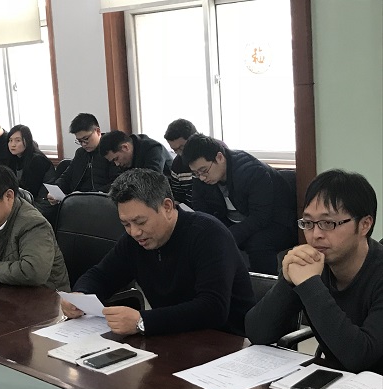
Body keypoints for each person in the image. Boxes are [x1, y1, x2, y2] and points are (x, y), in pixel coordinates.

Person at [61, 168, 254, 336]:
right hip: (174, 338)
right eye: (126, 224)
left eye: (140, 222)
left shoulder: (208, 234)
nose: (134, 232)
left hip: (227, 342)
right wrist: (80, 296)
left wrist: (143, 321)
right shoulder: (134, 241)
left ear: (167, 207)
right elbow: (101, 275)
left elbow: (213, 308)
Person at [246, 169, 383, 374]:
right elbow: (257, 333)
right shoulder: (313, 263)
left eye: (328, 223)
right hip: (336, 383)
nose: (315, 234)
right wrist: (288, 282)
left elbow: (360, 358)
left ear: (364, 225)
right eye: (308, 223)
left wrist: (310, 285)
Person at [183, 133, 296, 275]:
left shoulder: (251, 171)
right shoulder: (201, 178)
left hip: (277, 221)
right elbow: (202, 213)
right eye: (196, 173)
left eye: (204, 171)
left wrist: (225, 236)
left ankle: (264, 284)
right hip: (239, 222)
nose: (201, 177)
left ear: (219, 157)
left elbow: (260, 217)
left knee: (257, 243)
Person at [47, 113, 121, 202]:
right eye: (79, 141)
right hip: (78, 201)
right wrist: (55, 191)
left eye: (86, 139)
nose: (83, 144)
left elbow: (116, 183)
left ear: (97, 131)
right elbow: (67, 176)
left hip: (102, 201)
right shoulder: (80, 153)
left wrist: (86, 195)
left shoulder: (111, 152)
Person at [7, 124, 55, 200]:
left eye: (18, 140)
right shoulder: (15, 158)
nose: (12, 144)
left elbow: (32, 191)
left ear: (27, 141)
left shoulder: (37, 160)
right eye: (10, 140)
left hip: (42, 201)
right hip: (24, 199)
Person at [99, 130, 173, 176]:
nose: (117, 164)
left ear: (125, 147)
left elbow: (151, 182)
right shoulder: (123, 162)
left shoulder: (153, 149)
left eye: (116, 159)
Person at [164, 119, 197, 207]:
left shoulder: (212, 156)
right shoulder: (177, 165)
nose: (180, 153)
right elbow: (178, 198)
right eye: (175, 150)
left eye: (182, 148)